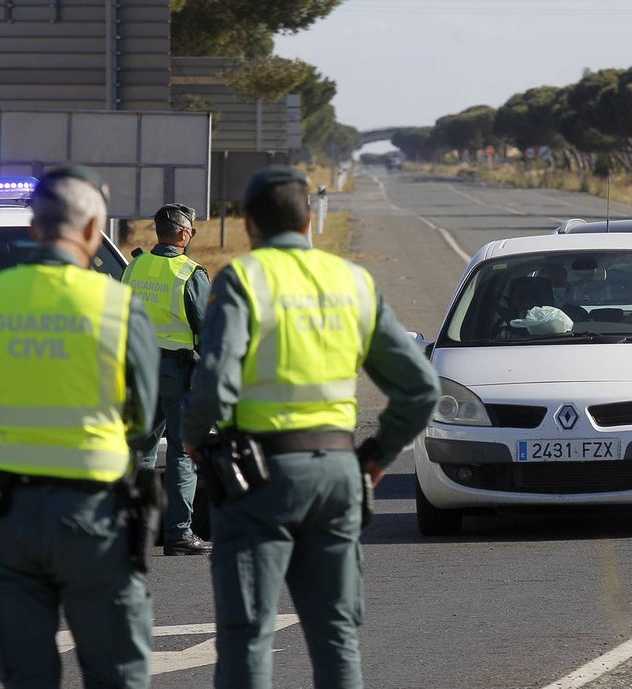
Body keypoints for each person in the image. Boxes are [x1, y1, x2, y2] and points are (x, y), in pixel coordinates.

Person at [181, 165, 440, 689]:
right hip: (339, 475)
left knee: (246, 635)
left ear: (250, 223)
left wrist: (192, 437)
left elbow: (213, 384)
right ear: (308, 222)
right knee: (335, 636)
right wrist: (375, 457)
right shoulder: (352, 280)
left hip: (258, 479)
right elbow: (420, 388)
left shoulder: (244, 279)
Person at [0, 166, 159, 688]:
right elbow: (142, 414)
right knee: (117, 671)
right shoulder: (116, 304)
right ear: (94, 229)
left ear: (34, 228)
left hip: (8, 514)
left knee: (26, 676)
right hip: (94, 513)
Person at [122, 203, 212, 555]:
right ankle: (178, 533)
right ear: (183, 233)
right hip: (179, 373)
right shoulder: (190, 274)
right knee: (181, 453)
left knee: (140, 451)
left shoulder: (135, 266)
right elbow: (207, 329)